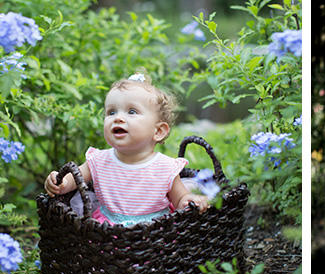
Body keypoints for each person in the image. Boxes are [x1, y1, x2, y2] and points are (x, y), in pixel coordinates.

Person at [44, 72, 209, 227]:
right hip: (107, 229)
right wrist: (61, 183)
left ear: (158, 131)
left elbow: (180, 199)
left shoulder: (165, 167)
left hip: (155, 232)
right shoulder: (99, 160)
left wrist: (189, 200)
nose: (118, 118)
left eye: (131, 111)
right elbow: (74, 179)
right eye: (111, 112)